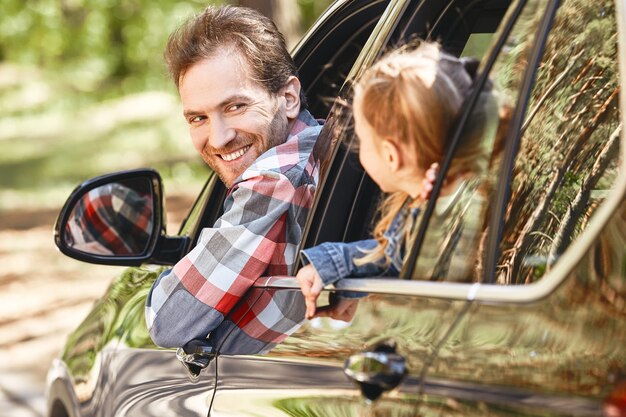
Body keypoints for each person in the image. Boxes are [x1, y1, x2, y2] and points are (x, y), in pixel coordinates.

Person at [145, 5, 323, 348]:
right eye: (198, 118)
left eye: (235, 107)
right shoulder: (322, 145)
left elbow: (168, 322)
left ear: (288, 98)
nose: (219, 138)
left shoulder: (274, 178)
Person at [296, 42, 508, 320]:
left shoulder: (440, 212)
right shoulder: (440, 203)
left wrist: (330, 262)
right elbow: (396, 257)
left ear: (391, 155)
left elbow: (411, 262)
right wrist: (339, 275)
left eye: (362, 139)